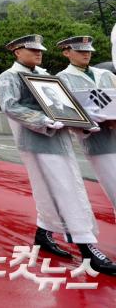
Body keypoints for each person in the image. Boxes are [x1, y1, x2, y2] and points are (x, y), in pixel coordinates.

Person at [0, 34, 116, 275]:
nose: (38, 53)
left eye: (39, 49)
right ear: (17, 52)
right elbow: (10, 107)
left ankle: (43, 234)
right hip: (37, 140)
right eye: (32, 50)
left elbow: (64, 106)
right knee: (65, 192)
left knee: (58, 190)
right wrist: (43, 119)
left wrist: (81, 123)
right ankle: (87, 249)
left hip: (58, 138)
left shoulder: (44, 75)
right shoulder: (8, 77)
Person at [56, 36, 116, 240]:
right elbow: (65, 112)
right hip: (98, 141)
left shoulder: (105, 74)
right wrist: (90, 121)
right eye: (80, 50)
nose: (86, 53)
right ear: (66, 52)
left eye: (88, 50)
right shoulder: (62, 79)